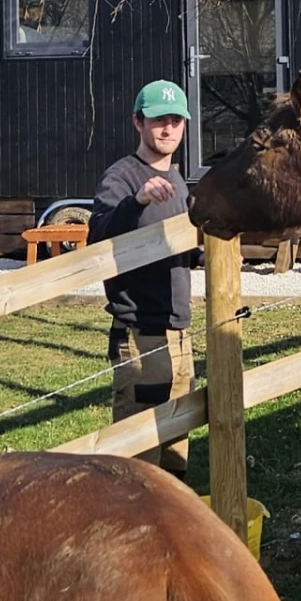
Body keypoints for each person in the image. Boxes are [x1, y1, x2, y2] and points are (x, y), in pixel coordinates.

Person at [87, 78, 202, 475]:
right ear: (138, 123)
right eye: (158, 121)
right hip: (140, 337)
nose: (168, 129)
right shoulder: (121, 177)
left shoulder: (180, 184)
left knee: (175, 445)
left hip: (180, 333)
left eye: (176, 120)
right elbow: (97, 236)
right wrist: (135, 202)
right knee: (137, 460)